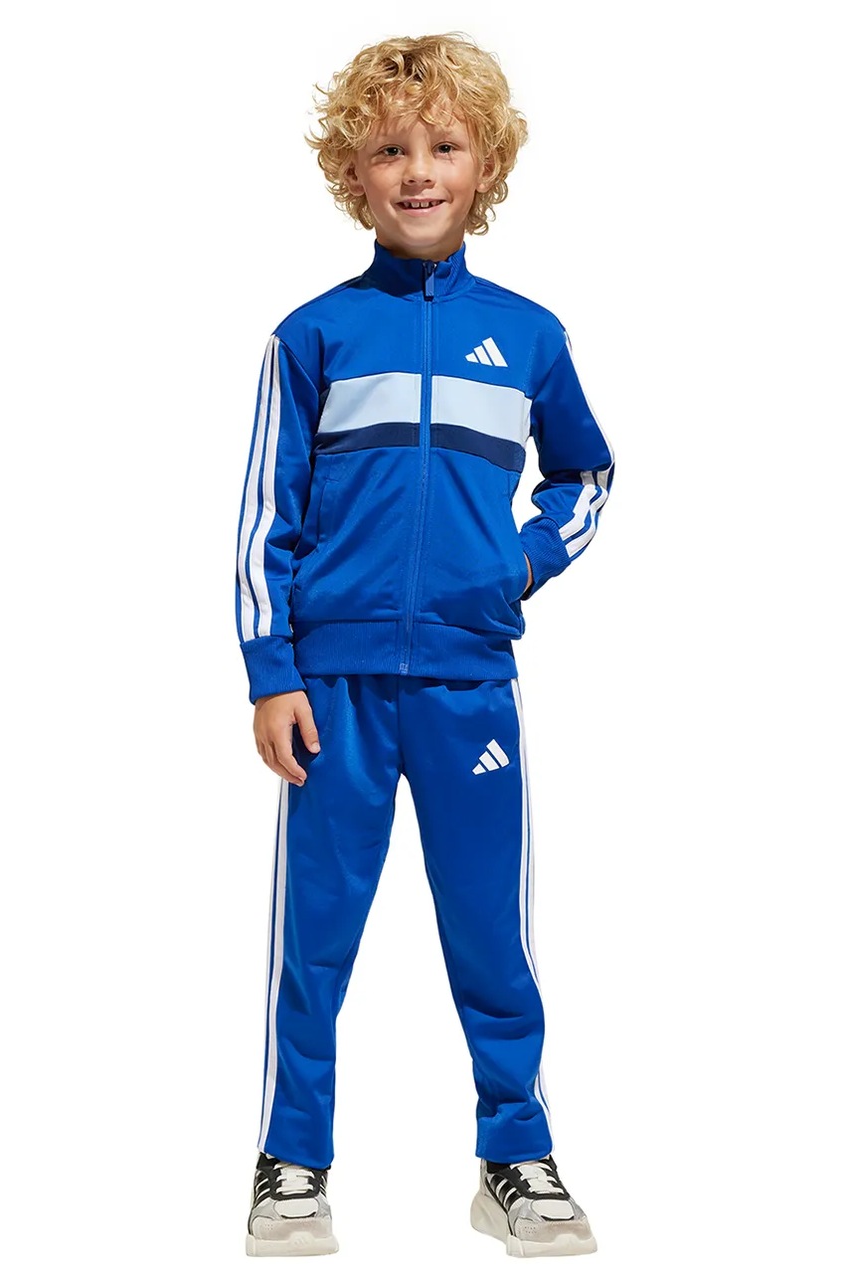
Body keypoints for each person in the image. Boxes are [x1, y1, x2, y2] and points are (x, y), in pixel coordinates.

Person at [235, 31, 614, 1259]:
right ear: (353, 172)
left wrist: (519, 561)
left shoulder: (529, 335)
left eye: (444, 146)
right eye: (390, 149)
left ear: (485, 164)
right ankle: (292, 1162)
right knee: (316, 939)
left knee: (490, 934)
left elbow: (587, 476)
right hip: (333, 690)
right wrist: (272, 673)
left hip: (469, 683)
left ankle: (517, 1154)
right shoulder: (312, 336)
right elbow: (263, 523)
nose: (417, 171)